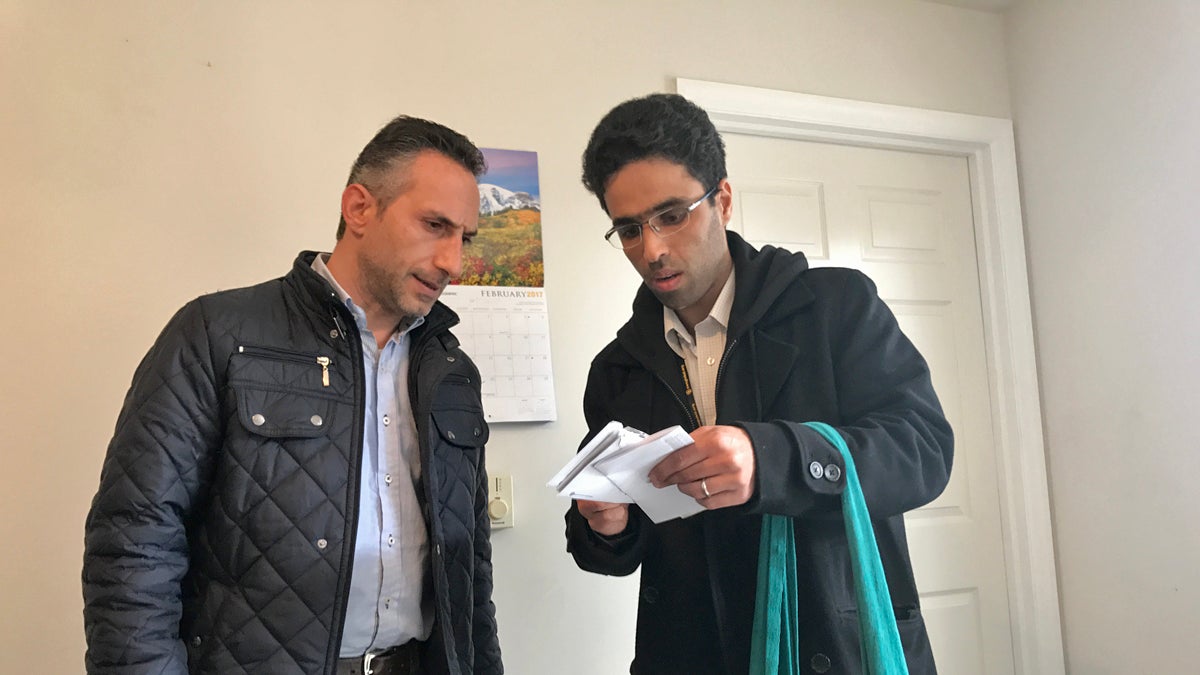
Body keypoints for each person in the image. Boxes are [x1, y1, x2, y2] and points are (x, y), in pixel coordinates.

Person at [83, 116, 502, 675]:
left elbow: (470, 570)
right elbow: (134, 542)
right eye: (434, 225)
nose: (453, 261)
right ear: (359, 208)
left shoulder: (451, 371)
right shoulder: (218, 333)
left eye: (464, 238)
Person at [565, 93, 953, 675]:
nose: (653, 249)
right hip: (688, 655)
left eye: (672, 215)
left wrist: (770, 459)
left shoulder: (836, 306)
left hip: (838, 650)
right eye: (627, 230)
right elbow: (617, 552)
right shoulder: (616, 367)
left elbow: (924, 451)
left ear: (721, 199)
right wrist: (606, 525)